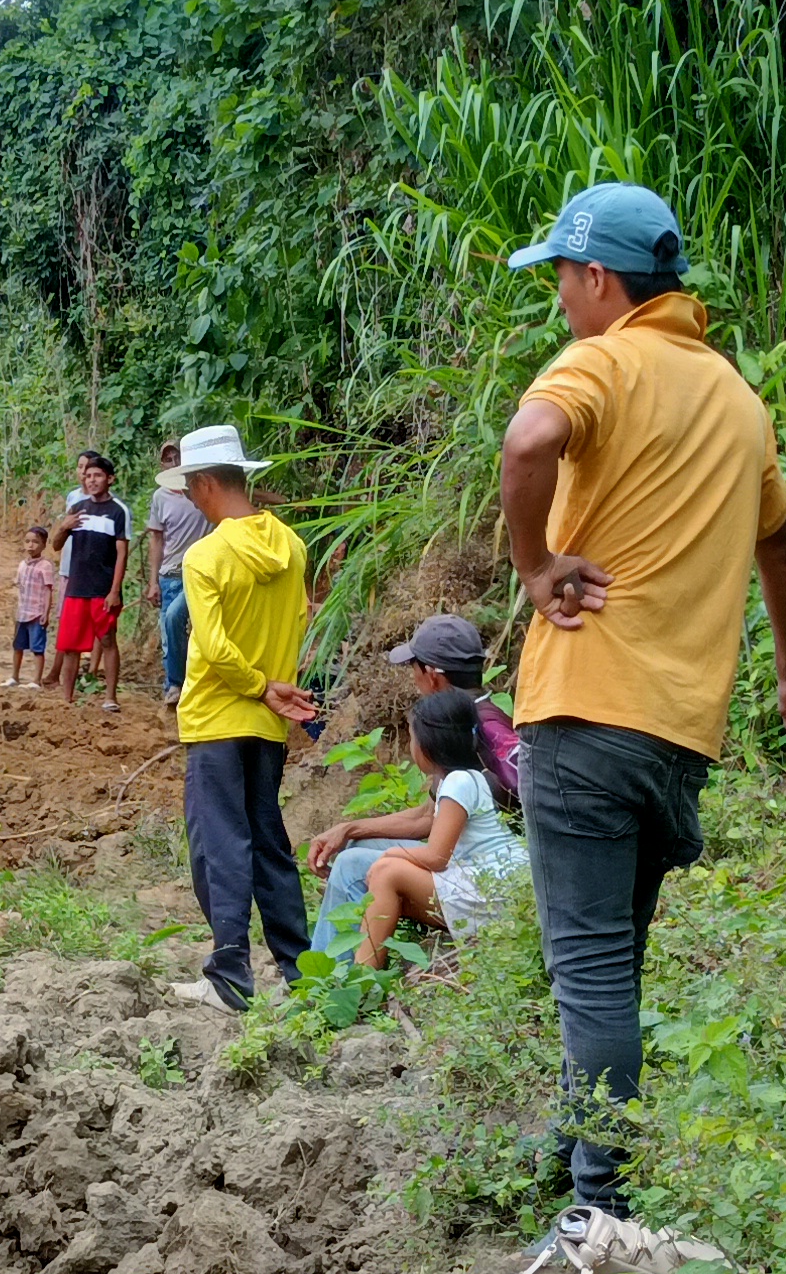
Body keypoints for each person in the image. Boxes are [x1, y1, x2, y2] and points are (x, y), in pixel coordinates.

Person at [499, 181, 786, 1214]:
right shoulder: (738, 400)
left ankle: (598, 1208)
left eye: (562, 277)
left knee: (592, 971)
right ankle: (573, 1145)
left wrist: (534, 565)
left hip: (586, 708)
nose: (560, 297)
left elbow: (527, 441)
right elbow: (781, 552)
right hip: (679, 736)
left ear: (600, 278)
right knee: (614, 959)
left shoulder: (605, 360)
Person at [160, 424, 317, 1012]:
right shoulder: (292, 546)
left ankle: (228, 976)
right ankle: (301, 973)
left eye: (190, 488)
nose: (190, 499)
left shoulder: (205, 555)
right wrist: (274, 690)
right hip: (267, 723)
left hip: (218, 716)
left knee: (218, 846)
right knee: (269, 842)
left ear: (205, 483)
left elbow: (213, 646)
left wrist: (256, 686)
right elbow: (298, 622)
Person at [302, 614, 525, 923]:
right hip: (485, 864)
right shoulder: (481, 717)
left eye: (414, 667)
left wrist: (374, 845)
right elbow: (431, 815)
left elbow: (431, 825)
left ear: (432, 676)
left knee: (351, 864)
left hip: (485, 880)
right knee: (359, 844)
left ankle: (340, 955)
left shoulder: (461, 729)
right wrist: (350, 828)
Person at [347, 692, 527, 969]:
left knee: (387, 871)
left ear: (428, 746)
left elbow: (436, 857)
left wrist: (389, 855)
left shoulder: (458, 782)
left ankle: (361, 977)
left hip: (495, 893)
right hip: (498, 888)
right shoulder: (468, 778)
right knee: (394, 898)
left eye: (412, 738)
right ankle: (364, 973)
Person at [49, 451, 131, 709]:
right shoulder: (77, 508)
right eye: (88, 476)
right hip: (76, 587)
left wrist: (114, 591)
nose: (92, 480)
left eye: (97, 475)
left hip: (102, 588)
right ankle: (67, 698)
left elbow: (122, 553)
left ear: (110, 479)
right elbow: (56, 545)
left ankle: (110, 698)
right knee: (71, 646)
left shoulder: (119, 511)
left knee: (107, 640)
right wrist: (65, 526)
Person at [146, 441, 211, 701]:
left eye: (178, 456)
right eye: (168, 458)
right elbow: (156, 539)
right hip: (171, 575)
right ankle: (175, 687)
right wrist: (153, 581)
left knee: (199, 629)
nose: (174, 462)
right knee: (170, 632)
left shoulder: (204, 490)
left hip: (202, 572)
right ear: (162, 464)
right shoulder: (160, 497)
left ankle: (194, 687)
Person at [7, 526, 57, 689]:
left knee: (37, 648)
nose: (30, 545)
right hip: (22, 612)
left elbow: (48, 590)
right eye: (27, 541)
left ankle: (36, 680)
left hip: (36, 613)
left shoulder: (45, 566)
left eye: (35, 542)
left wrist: (45, 613)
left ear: (43, 545)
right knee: (18, 646)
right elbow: (19, 585)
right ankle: (14, 676)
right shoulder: (22, 565)